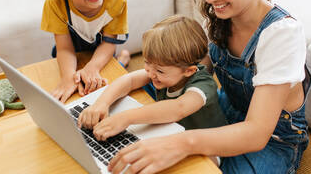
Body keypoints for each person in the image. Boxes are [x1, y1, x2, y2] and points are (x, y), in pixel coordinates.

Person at [106, 0, 311, 173]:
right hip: (226, 108)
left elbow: (256, 133)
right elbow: (192, 72)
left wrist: (180, 143)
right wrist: (118, 94)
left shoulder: (282, 34)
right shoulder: (222, 12)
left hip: (272, 141)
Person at [77, 15, 227, 164]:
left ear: (188, 71)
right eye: (147, 62)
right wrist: (101, 103)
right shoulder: (161, 71)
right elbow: (129, 80)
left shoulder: (203, 84)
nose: (149, 72)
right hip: (171, 133)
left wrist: (125, 118)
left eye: (160, 71)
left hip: (208, 145)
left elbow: (178, 108)